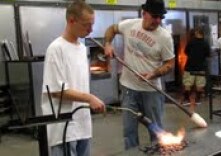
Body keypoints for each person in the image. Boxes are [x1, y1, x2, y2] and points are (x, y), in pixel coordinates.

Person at [104, 0, 175, 150]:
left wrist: (154, 73)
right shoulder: (130, 24)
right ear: (144, 13)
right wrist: (108, 44)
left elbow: (170, 63)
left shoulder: (164, 37)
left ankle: (159, 152)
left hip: (151, 91)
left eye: (160, 17)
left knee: (156, 131)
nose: (157, 21)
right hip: (128, 88)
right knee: (129, 131)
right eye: (154, 16)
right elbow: (112, 29)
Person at [41, 1, 105, 156]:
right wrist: (89, 98)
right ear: (71, 20)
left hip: (83, 123)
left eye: (92, 24)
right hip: (64, 127)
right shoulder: (56, 49)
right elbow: (57, 91)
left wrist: (88, 101)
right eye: (86, 25)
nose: (90, 30)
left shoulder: (82, 49)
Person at [182, 27, 210, 111]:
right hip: (201, 67)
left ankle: (187, 99)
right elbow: (208, 54)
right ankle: (197, 100)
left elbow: (185, 52)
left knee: (187, 83)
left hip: (190, 66)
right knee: (200, 84)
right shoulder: (205, 43)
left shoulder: (191, 42)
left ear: (197, 33)